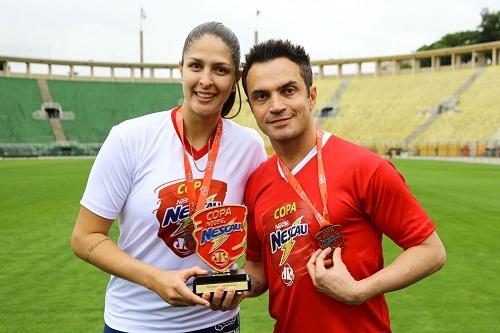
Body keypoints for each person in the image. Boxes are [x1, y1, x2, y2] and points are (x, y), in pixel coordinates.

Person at [236, 40, 446, 332]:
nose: (276, 105)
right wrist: (229, 286)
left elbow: (430, 250)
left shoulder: (366, 168)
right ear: (253, 107)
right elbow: (258, 268)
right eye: (261, 96)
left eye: (288, 90)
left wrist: (361, 289)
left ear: (311, 96)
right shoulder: (257, 181)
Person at [71, 22, 267, 333]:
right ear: (180, 69)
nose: (205, 80)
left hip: (217, 322)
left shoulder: (250, 146)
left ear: (235, 79)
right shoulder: (130, 138)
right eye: (196, 66)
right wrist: (155, 279)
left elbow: (257, 248)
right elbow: (85, 238)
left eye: (220, 69)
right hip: (136, 323)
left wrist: (243, 285)